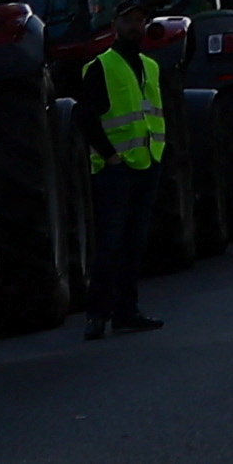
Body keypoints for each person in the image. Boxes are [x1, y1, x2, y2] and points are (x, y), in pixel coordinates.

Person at [81, 21, 171, 335]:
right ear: (117, 26)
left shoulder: (151, 67)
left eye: (139, 19)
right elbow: (86, 117)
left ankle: (125, 311)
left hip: (146, 163)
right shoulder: (101, 66)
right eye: (129, 19)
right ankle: (97, 315)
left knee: (133, 243)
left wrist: (158, 155)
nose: (135, 26)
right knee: (110, 243)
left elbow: (156, 113)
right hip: (115, 170)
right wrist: (110, 156)